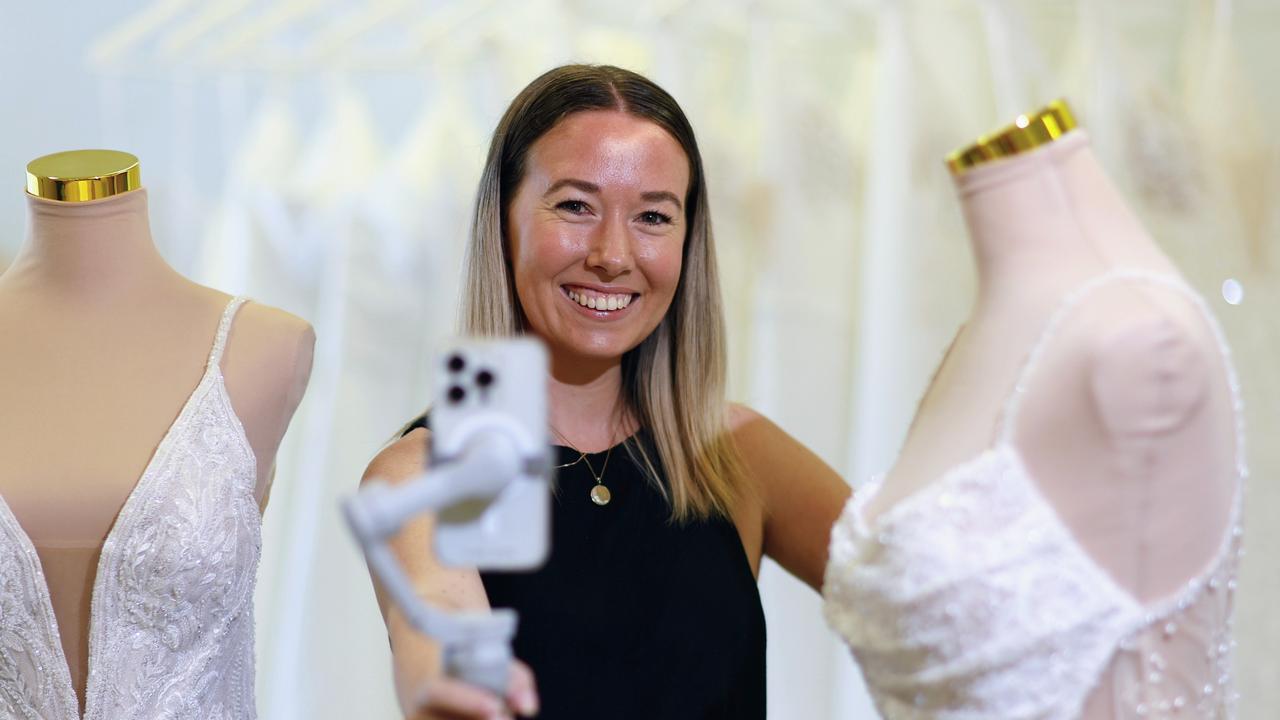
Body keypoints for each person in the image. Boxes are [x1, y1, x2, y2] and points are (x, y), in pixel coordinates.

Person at [361, 64, 851, 720]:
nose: (613, 255)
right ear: (503, 223)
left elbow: (935, 592)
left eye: (653, 216)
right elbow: (441, 623)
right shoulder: (423, 472)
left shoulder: (737, 453)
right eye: (574, 206)